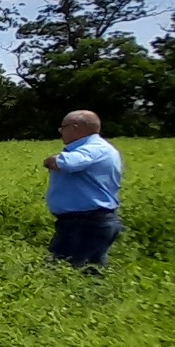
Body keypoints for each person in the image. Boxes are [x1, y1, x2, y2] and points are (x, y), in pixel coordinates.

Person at [41, 109, 123, 269]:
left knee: (64, 272)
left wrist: (52, 160)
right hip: (84, 222)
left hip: (85, 224)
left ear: (76, 127)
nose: (60, 132)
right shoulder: (98, 148)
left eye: (63, 127)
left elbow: (68, 163)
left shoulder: (94, 148)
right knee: (83, 272)